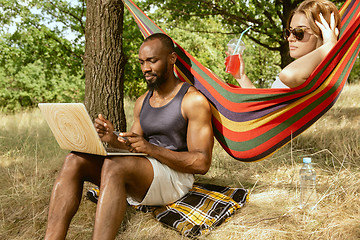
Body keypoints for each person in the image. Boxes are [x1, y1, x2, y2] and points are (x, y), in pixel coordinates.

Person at [44, 33, 214, 240]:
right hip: (146, 170)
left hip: (176, 178)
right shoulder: (143, 102)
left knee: (115, 166)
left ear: (172, 58)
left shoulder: (192, 100)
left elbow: (202, 163)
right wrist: (113, 140)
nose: (145, 69)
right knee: (74, 159)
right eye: (142, 62)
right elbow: (134, 147)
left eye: (153, 61)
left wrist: (152, 149)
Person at [230, 0, 341, 88]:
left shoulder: (310, 74)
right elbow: (267, 107)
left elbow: (287, 75)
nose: (290, 39)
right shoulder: (300, 70)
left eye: (298, 32)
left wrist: (330, 46)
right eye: (288, 32)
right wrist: (241, 76)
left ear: (322, 35)